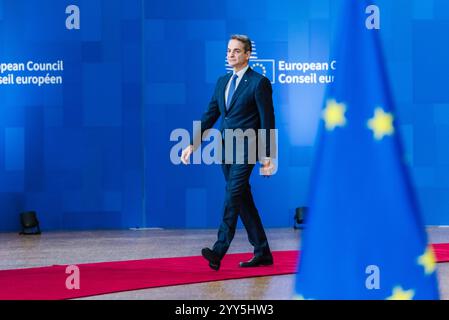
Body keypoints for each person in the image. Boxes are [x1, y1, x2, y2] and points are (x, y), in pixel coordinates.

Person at [181, 34, 276, 271]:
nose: (230, 55)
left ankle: (219, 250)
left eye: (236, 51)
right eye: (228, 51)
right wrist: (193, 144)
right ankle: (262, 251)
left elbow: (268, 121)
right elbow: (210, 115)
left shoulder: (259, 82)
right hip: (225, 150)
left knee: (232, 195)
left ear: (247, 54)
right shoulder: (222, 81)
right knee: (243, 200)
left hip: (248, 148)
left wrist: (268, 157)